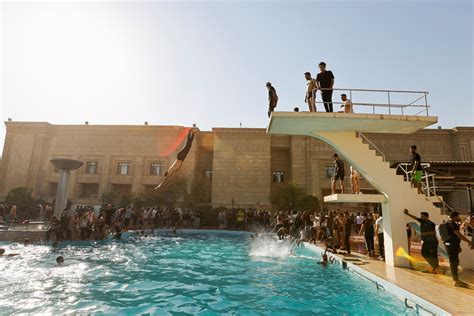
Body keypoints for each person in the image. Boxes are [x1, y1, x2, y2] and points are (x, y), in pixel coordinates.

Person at [404, 209, 439, 273]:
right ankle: (435, 267)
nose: (421, 217)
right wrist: (408, 214)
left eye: (422, 216)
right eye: (421, 216)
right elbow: (415, 218)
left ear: (427, 216)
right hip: (426, 241)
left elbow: (434, 232)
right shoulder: (422, 221)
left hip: (432, 241)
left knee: (433, 255)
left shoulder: (431, 223)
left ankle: (435, 268)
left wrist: (425, 233)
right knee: (424, 253)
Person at [444, 211, 473, 287]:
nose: (459, 217)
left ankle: (456, 280)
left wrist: (458, 246)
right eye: (458, 216)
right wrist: (469, 241)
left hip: (449, 245)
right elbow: (459, 235)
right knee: (454, 263)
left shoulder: (448, 223)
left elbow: (453, 237)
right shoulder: (453, 224)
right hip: (452, 246)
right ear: (455, 216)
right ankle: (456, 281)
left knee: (454, 262)